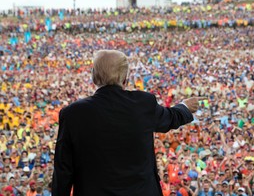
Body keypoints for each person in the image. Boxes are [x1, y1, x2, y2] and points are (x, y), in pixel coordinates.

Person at [52, 50, 204, 196]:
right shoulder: (143, 103)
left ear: (94, 77)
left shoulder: (72, 114)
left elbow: (63, 171)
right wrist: (185, 107)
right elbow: (170, 118)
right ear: (125, 78)